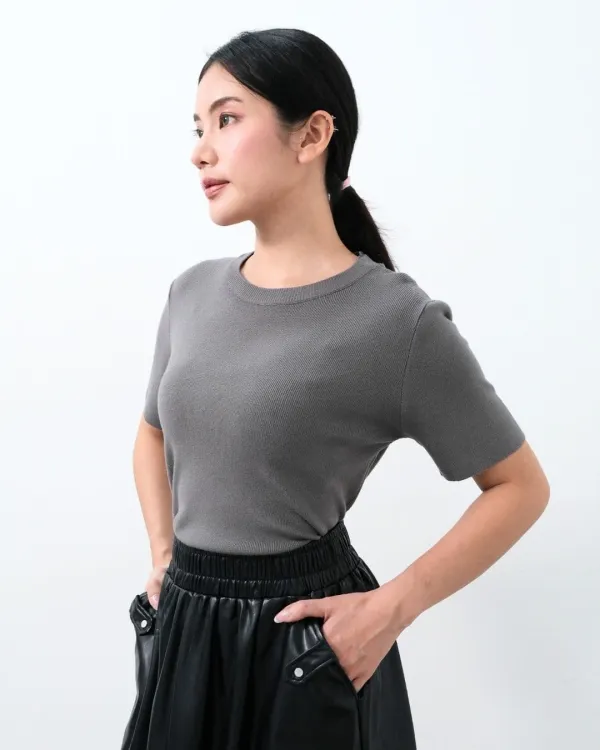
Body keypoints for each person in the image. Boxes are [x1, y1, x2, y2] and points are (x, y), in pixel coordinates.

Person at [120, 27, 550, 750]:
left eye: (227, 119)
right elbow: (151, 431)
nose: (201, 150)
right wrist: (165, 557)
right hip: (187, 632)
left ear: (313, 134)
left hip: (306, 647)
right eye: (198, 128)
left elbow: (520, 487)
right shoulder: (189, 294)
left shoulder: (397, 322)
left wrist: (391, 609)